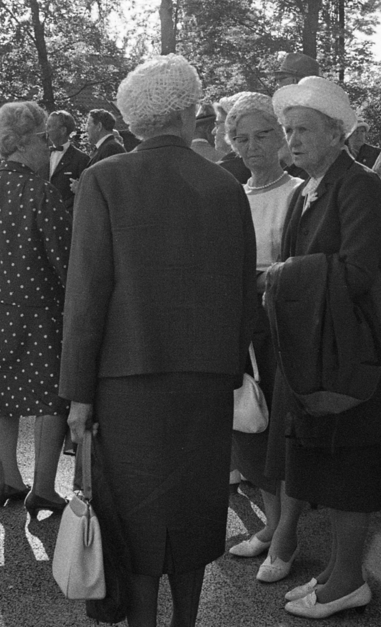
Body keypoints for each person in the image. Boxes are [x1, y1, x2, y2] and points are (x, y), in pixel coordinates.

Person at [61, 54, 257, 627]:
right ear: (189, 111)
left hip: (126, 379)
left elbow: (86, 296)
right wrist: (232, 368)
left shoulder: (104, 179)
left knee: (135, 515)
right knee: (196, 509)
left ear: (133, 119)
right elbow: (243, 289)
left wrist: (77, 393)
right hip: (206, 376)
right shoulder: (224, 185)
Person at [268, 76, 381, 619]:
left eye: (304, 129)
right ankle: (338, 572)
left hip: (351, 349)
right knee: (326, 462)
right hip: (322, 345)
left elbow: (357, 271)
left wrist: (280, 276)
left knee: (349, 468)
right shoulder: (312, 186)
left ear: (337, 134)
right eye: (289, 129)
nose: (292, 140)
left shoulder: (359, 185)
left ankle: (349, 581)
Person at [219, 92, 307, 582]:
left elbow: (303, 266)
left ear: (281, 137)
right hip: (241, 324)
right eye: (242, 138)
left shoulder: (299, 192)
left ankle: (288, 534)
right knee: (250, 426)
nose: (252, 147)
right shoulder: (232, 193)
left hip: (285, 325)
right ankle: (271, 524)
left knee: (286, 432)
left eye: (263, 135)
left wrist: (256, 279)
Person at [0, 101, 74, 518]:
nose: (49, 149)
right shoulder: (40, 191)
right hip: (38, 308)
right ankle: (44, 488)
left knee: (1, 393)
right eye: (44, 140)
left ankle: (8, 478)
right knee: (51, 397)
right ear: (25, 143)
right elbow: (64, 257)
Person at [44, 110, 91, 215]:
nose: (46, 131)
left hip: (67, 217)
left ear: (63, 130)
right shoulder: (41, 156)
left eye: (50, 127)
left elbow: (85, 194)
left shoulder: (81, 159)